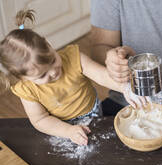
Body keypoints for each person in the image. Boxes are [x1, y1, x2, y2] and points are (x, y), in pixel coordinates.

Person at [0, 10, 139, 146]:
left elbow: (101, 75)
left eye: (53, 61)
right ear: (24, 78)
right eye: (42, 75)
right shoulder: (26, 90)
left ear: (48, 44)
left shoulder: (73, 57)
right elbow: (40, 119)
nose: (53, 72)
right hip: (59, 125)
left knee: (101, 143)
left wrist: (124, 88)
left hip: (93, 112)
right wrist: (68, 131)